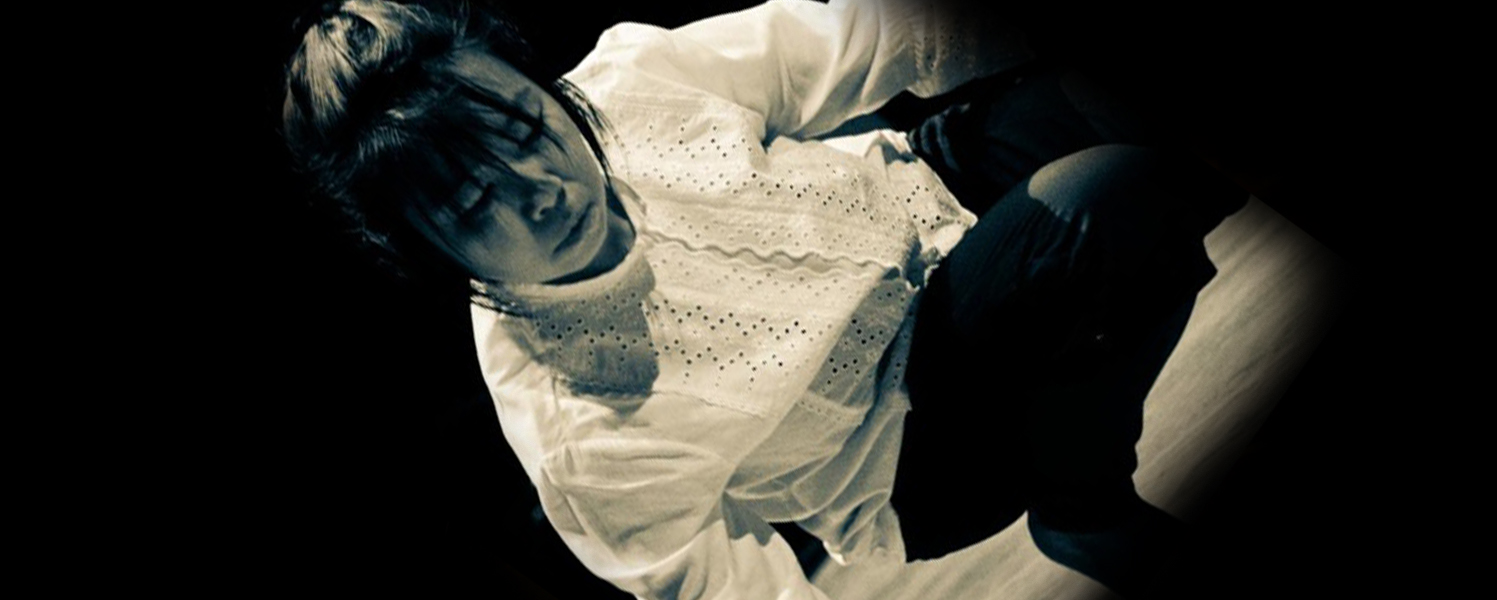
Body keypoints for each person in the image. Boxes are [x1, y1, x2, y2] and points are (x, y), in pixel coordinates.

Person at [282, 0, 1248, 598]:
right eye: (474, 202)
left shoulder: (630, 76)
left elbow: (867, 38)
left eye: (531, 130)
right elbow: (723, 589)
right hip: (914, 450)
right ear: (430, 252)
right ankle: (1086, 507)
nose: (542, 189)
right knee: (1102, 207)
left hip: (930, 198)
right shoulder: (579, 431)